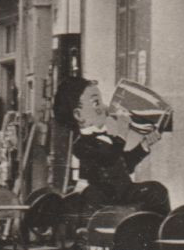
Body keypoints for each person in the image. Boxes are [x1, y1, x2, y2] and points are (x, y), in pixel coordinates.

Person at [51, 76, 164, 209]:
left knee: (157, 190)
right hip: (106, 197)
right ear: (78, 115)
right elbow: (109, 158)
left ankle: (157, 226)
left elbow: (125, 166)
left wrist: (144, 145)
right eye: (96, 103)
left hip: (122, 192)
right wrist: (122, 133)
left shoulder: (108, 138)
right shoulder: (82, 145)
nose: (105, 107)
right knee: (155, 192)